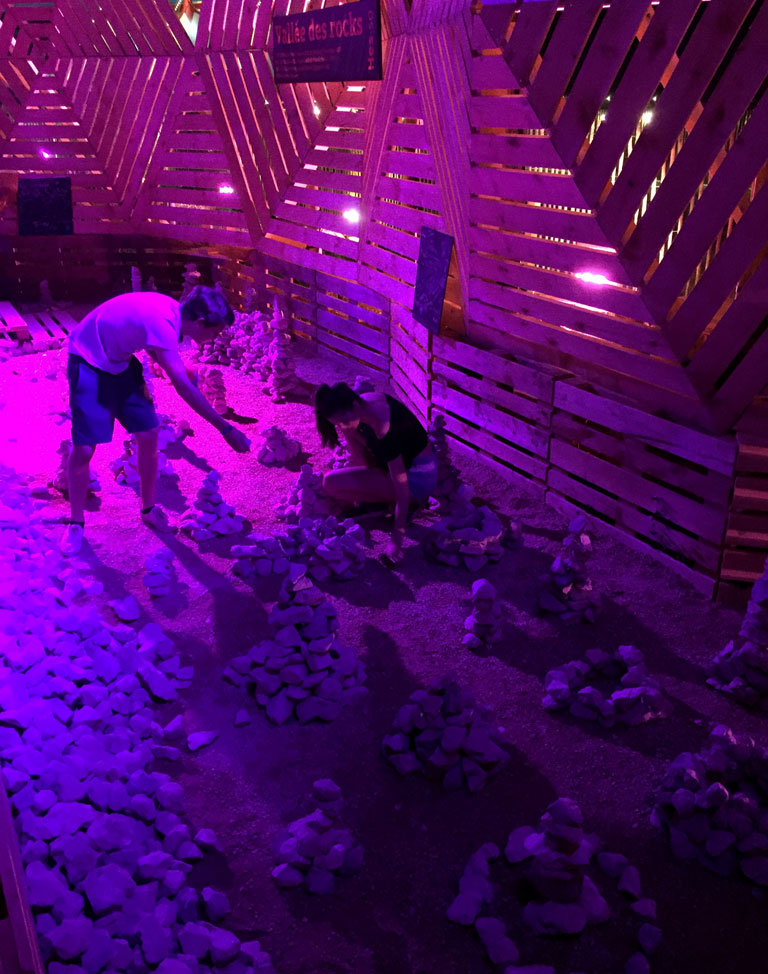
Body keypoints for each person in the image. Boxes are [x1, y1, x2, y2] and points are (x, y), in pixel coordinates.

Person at [60, 285, 250, 555]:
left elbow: (148, 340)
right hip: (88, 362)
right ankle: (76, 523)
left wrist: (179, 368)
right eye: (215, 332)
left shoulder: (170, 311)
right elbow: (182, 387)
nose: (213, 338)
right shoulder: (163, 323)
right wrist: (226, 429)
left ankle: (148, 509)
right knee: (85, 449)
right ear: (199, 322)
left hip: (121, 364)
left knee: (149, 433)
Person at [315, 382, 437, 561]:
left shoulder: (384, 429)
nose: (342, 426)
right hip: (401, 465)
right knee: (332, 483)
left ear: (354, 405)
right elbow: (360, 458)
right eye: (337, 423)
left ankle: (410, 504)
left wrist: (396, 539)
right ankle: (383, 501)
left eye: (343, 421)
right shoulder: (363, 404)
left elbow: (401, 486)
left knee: (334, 484)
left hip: (418, 478)